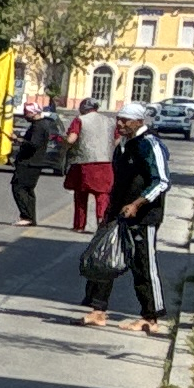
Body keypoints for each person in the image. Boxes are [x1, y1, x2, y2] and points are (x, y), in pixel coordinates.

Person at [92, 101, 170, 331]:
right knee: (104, 259)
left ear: (139, 121)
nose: (120, 124)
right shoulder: (124, 145)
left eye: (125, 120)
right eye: (119, 119)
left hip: (144, 216)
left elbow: (162, 181)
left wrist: (137, 203)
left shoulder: (150, 144)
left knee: (143, 264)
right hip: (118, 212)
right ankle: (98, 310)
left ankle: (151, 317)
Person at [11, 95, 61, 228]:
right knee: (28, 190)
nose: (25, 116)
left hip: (30, 163)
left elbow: (34, 144)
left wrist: (18, 140)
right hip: (33, 163)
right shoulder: (39, 125)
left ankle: (26, 216)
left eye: (26, 113)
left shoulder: (38, 127)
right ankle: (30, 217)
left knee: (19, 188)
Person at [71, 96, 118, 235]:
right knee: (102, 194)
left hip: (84, 162)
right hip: (105, 162)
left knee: (80, 194)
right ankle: (101, 221)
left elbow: (72, 138)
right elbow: (117, 138)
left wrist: (66, 145)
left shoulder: (80, 120)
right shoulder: (110, 121)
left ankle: (79, 225)